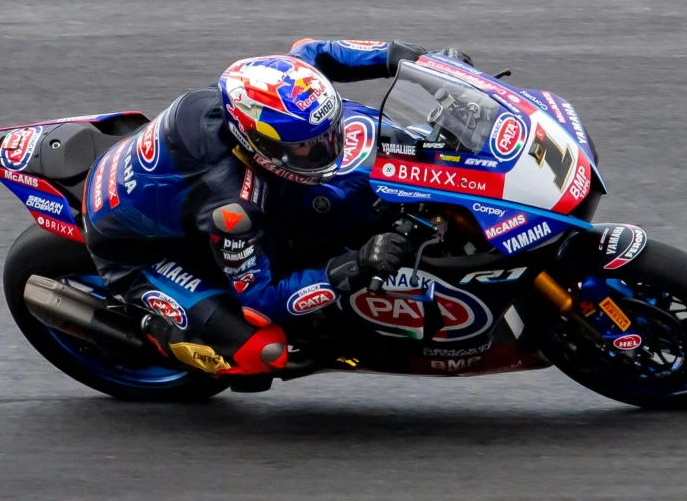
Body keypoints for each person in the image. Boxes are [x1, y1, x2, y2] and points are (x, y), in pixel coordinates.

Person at [80, 38, 447, 383]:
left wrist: (402, 57)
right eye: (307, 147)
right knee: (262, 352)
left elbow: (313, 50)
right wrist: (357, 263)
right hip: (135, 252)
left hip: (169, 194)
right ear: (257, 145)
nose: (329, 147)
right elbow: (262, 299)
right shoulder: (233, 209)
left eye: (328, 133)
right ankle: (156, 334)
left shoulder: (265, 90)